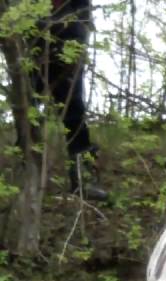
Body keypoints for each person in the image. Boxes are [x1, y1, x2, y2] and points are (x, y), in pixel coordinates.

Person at [39, 0, 106, 200]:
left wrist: (78, 44)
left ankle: (81, 181)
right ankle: (26, 178)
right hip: (33, 43)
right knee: (26, 112)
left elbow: (83, 13)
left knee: (74, 112)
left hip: (67, 46)